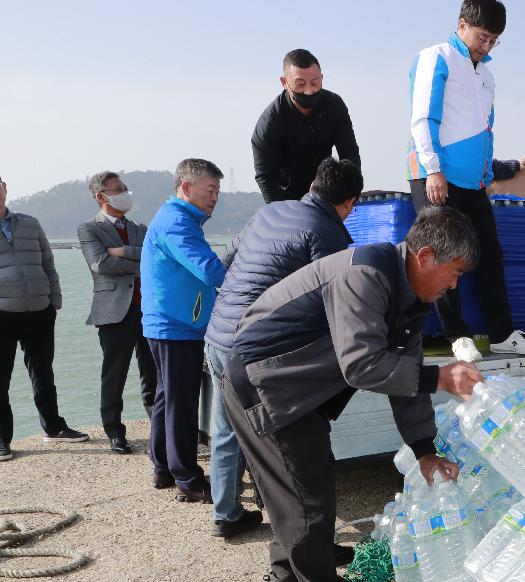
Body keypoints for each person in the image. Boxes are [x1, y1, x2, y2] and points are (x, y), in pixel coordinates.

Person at [222, 207, 484, 582]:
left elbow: (405, 378)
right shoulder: (366, 274)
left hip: (298, 386)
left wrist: (424, 450)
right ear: (425, 256)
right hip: (265, 380)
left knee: (300, 486)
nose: (454, 285)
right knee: (307, 497)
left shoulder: (410, 297)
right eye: (453, 272)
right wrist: (440, 377)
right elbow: (362, 365)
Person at [204, 158, 364, 540]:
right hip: (254, 348)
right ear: (350, 203)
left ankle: (225, 513)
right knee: (273, 441)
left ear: (312, 183)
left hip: (217, 334)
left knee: (226, 430)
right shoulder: (329, 233)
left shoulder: (268, 211)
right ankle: (285, 521)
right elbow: (333, 301)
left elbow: (226, 260)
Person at [407, 0, 525, 360]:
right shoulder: (436, 57)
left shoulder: (486, 75)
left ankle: (501, 333)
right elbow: (423, 118)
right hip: (436, 178)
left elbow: (486, 129)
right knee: (443, 255)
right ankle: (457, 335)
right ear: (462, 24)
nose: (486, 46)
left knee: (489, 255)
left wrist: (487, 173)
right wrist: (433, 169)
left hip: (473, 183)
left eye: (494, 41)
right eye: (482, 37)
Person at [142, 159, 227, 502]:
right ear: (186, 187)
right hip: (176, 325)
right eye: (210, 190)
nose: (215, 198)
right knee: (180, 401)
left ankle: (163, 466)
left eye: (218, 191)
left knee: (167, 397)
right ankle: (187, 479)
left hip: (167, 323)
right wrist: (248, 282)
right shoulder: (178, 222)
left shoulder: (176, 218)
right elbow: (209, 269)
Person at [0, 174, 89, 461]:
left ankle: (53, 427)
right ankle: (2, 439)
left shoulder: (29, 223)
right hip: (3, 313)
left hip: (39, 311)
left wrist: (55, 301)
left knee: (43, 372)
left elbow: (48, 262)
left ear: (5, 189)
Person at [78, 172, 157, 454]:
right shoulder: (89, 229)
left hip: (148, 308)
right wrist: (136, 258)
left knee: (153, 372)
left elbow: (154, 257)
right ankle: (114, 431)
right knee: (114, 374)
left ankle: (159, 428)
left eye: (124, 188)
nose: (124, 193)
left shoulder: (140, 227)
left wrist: (122, 251)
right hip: (113, 311)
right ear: (101, 196)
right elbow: (100, 264)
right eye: (117, 189)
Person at [252, 49, 361, 203]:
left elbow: (349, 152)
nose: (309, 91)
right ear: (284, 82)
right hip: (288, 196)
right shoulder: (270, 123)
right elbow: (266, 178)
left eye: (315, 83)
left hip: (326, 191)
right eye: (300, 84)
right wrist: (283, 214)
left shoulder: (334, 105)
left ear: (322, 78)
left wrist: (350, 194)